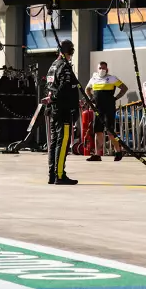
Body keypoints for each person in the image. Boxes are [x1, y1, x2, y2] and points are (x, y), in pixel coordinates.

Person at [45, 39, 81, 185]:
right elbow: (64, 88)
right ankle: (60, 175)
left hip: (54, 109)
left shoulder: (52, 66)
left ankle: (52, 174)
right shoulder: (64, 66)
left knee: (54, 142)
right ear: (70, 51)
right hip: (63, 109)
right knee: (63, 141)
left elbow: (49, 86)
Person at [84, 62, 127, 161]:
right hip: (98, 109)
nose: (102, 70)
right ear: (97, 68)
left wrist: (116, 98)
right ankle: (97, 154)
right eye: (100, 68)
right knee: (98, 131)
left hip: (109, 108)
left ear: (107, 69)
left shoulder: (112, 78)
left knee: (110, 131)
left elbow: (124, 88)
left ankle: (118, 151)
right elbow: (87, 89)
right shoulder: (93, 78)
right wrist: (92, 99)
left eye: (104, 68)